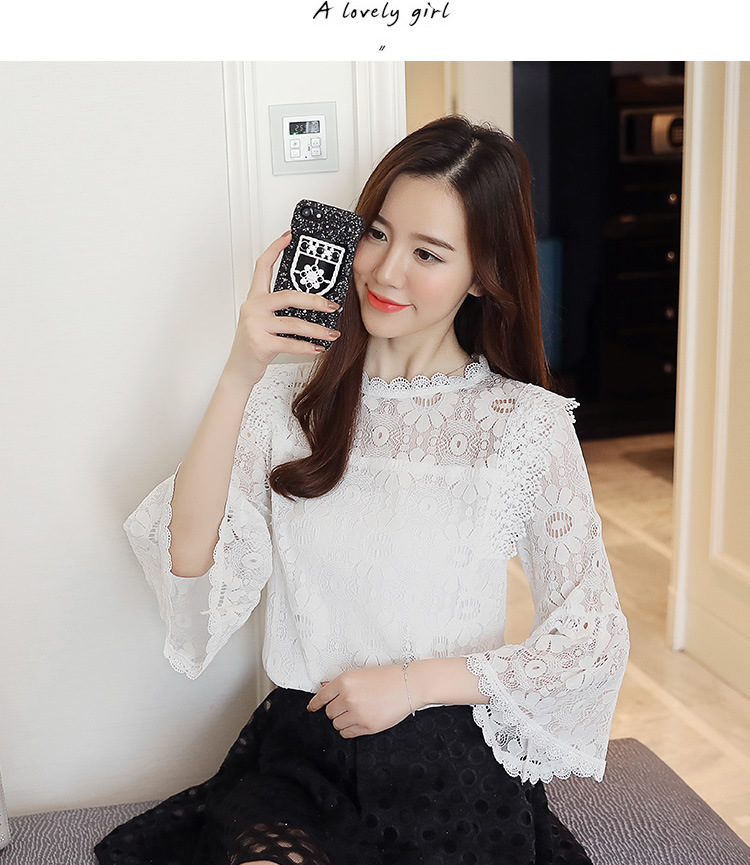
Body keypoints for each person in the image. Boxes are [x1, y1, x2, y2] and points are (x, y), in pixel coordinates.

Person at [96, 115, 629, 865]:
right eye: (376, 233)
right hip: (302, 754)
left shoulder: (524, 426)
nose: (384, 272)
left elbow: (592, 634)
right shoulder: (287, 404)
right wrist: (241, 370)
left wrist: (412, 684)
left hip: (448, 755)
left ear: (482, 273)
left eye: (428, 253)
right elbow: (189, 561)